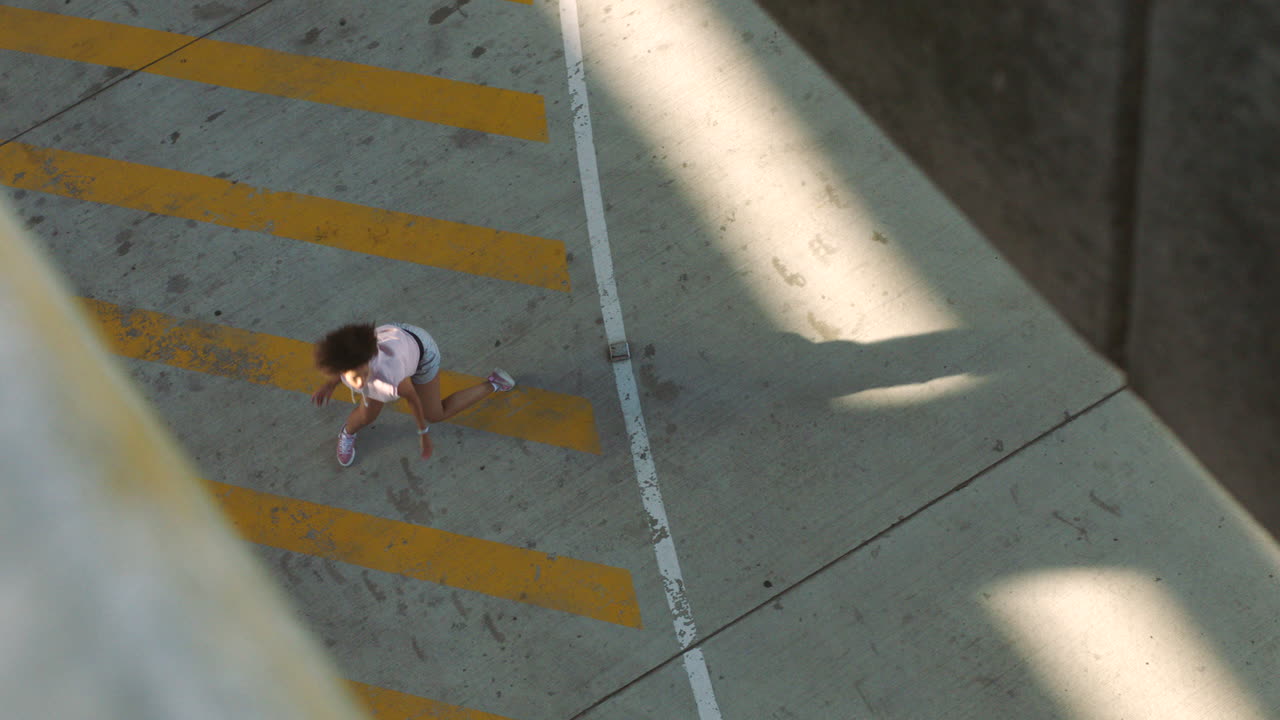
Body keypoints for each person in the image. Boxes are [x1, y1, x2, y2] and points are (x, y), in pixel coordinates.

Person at [310, 322, 514, 466]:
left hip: (421, 351)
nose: (361, 382)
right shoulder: (352, 358)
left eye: (364, 374)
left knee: (435, 415)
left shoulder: (390, 376)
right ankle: (348, 433)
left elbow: (412, 398)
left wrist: (423, 434)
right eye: (354, 377)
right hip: (396, 339)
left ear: (370, 359)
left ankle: (494, 383)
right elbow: (346, 364)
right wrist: (330, 385)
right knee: (366, 416)